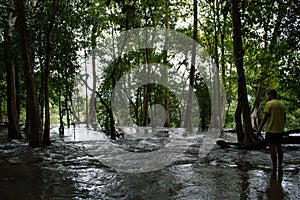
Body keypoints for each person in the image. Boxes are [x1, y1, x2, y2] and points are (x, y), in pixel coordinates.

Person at [257, 89, 286, 172]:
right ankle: (280, 166)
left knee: (272, 148)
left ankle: (274, 167)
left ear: (270, 95)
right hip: (279, 130)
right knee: (279, 147)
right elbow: (284, 117)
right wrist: (282, 126)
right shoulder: (281, 104)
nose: (268, 97)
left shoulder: (269, 104)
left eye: (268, 95)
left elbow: (265, 117)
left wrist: (260, 128)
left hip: (271, 130)